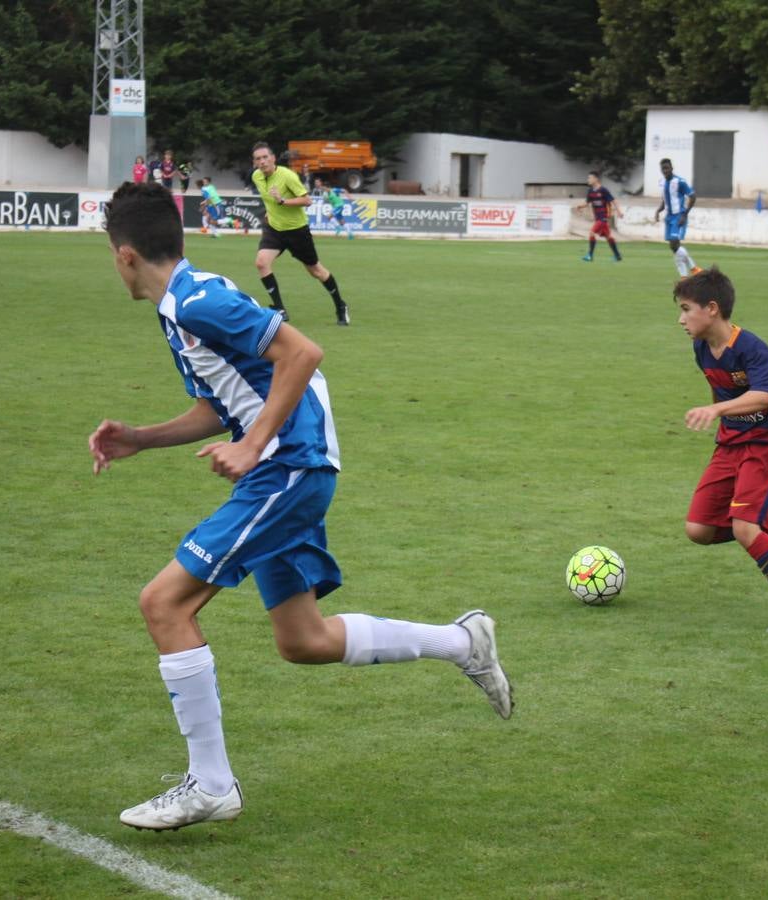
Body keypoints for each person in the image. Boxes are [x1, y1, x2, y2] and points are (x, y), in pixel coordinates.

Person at [90, 181, 513, 832]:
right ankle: (463, 641)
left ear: (123, 256)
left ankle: (210, 784)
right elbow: (222, 403)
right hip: (287, 466)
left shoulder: (197, 300)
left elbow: (302, 353)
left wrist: (256, 443)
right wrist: (140, 439)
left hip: (289, 468)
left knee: (163, 603)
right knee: (303, 641)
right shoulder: (182, 306)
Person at [675, 267, 768, 634]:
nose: (681, 319)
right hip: (730, 443)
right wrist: (720, 415)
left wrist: (715, 410)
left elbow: (767, 395)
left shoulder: (752, 348)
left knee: (744, 528)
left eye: (685, 308)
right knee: (698, 529)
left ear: (712, 309)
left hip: (763, 442)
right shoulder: (701, 348)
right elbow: (722, 388)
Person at [250, 141, 351, 325]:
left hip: (297, 231)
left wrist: (282, 202)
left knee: (316, 271)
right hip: (274, 229)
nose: (262, 161)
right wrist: (270, 211)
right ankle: (280, 309)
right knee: (261, 262)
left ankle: (341, 306)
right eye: (258, 159)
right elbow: (269, 199)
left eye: (265, 157)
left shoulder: (287, 176)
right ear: (255, 162)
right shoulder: (256, 176)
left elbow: (307, 200)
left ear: (273, 158)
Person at [654, 158, 698, 276]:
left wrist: (684, 214)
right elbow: (665, 199)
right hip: (668, 217)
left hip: (679, 216)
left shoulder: (680, 182)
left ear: (672, 168)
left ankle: (693, 268)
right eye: (663, 168)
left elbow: (693, 197)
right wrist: (659, 210)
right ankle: (686, 274)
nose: (665, 170)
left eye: (667, 168)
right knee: (673, 247)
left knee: (674, 242)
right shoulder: (662, 182)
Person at [576, 171, 622, 262]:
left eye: (590, 178)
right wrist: (580, 206)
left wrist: (619, 212)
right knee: (608, 237)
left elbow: (613, 200)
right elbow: (587, 202)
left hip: (603, 217)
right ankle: (617, 255)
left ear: (596, 179)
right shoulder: (590, 191)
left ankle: (590, 255)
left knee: (592, 233)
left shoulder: (603, 190)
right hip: (598, 218)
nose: (588, 180)